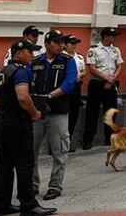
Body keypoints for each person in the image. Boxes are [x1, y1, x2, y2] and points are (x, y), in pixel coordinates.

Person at [0, 40, 54, 216]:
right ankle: (28, 205)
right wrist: (35, 113)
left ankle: (1, 205)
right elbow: (23, 97)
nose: (32, 56)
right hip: (18, 123)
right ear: (19, 53)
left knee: (5, 164)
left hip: (3, 120)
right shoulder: (20, 72)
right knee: (25, 164)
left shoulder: (4, 71)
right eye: (29, 52)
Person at [30, 30, 77, 201]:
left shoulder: (67, 61)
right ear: (47, 44)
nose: (61, 45)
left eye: (62, 42)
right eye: (57, 42)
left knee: (60, 151)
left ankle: (55, 186)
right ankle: (32, 184)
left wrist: (50, 96)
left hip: (58, 111)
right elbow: (28, 83)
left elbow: (69, 83)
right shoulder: (36, 61)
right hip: (36, 112)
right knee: (31, 151)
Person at [82, 27, 122, 150]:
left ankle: (109, 138)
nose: (114, 38)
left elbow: (119, 66)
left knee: (110, 112)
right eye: (112, 36)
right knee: (92, 112)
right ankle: (88, 140)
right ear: (105, 37)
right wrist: (106, 78)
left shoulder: (116, 50)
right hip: (97, 83)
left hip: (111, 83)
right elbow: (92, 68)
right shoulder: (94, 50)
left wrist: (112, 79)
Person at [62, 37, 84, 152]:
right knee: (63, 114)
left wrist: (79, 75)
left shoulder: (79, 57)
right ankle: (59, 142)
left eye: (76, 43)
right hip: (64, 88)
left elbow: (84, 71)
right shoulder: (61, 57)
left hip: (76, 87)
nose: (74, 45)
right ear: (65, 45)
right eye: (72, 43)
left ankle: (69, 140)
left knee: (73, 114)